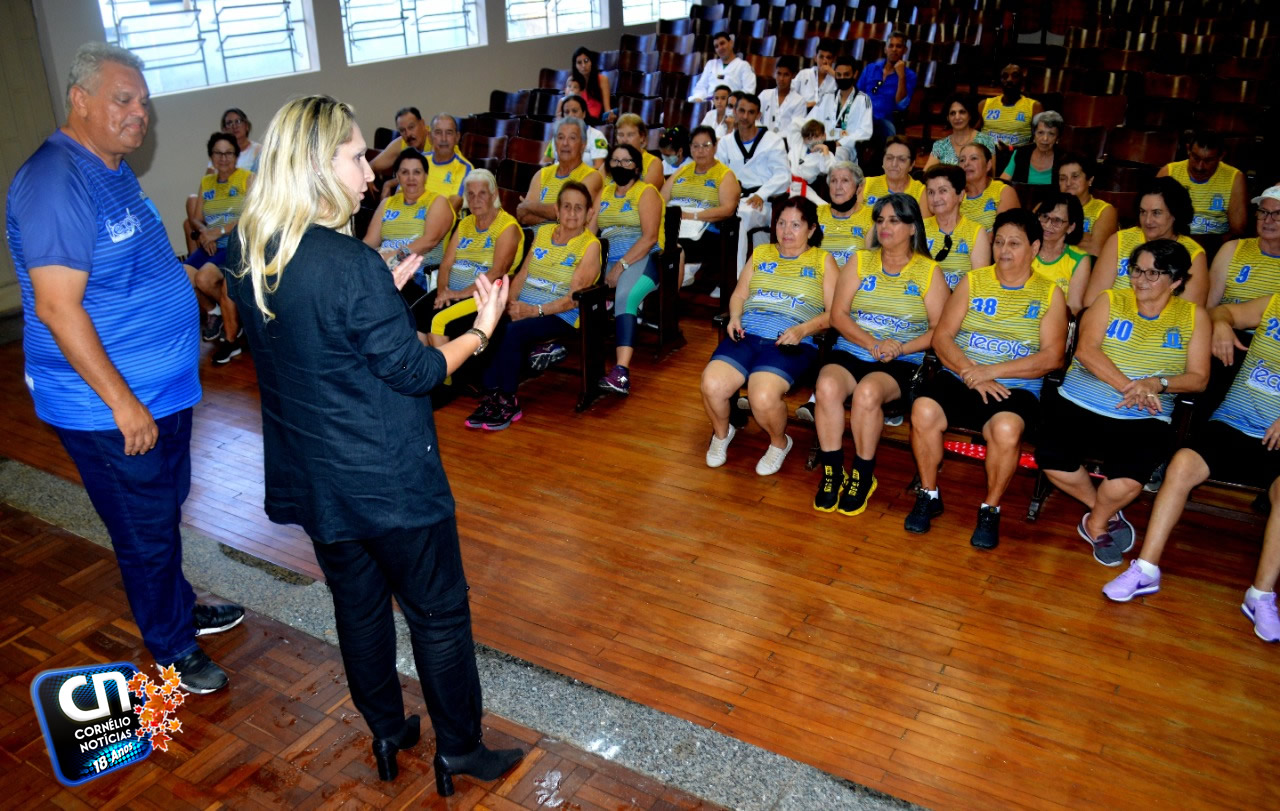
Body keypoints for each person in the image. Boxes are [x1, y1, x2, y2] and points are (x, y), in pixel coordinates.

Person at [224, 94, 523, 791]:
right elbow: (416, 370)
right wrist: (480, 330)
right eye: (358, 156)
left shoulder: (251, 247)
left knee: (358, 611)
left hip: (318, 481)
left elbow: (315, 340)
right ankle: (459, 750)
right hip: (389, 479)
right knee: (438, 611)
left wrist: (381, 298)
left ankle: (388, 732)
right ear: (317, 164)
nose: (372, 173)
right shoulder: (347, 263)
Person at [7, 42, 239, 694]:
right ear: (79, 100)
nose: (142, 114)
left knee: (161, 511)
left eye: (144, 102)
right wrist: (122, 402)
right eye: (124, 100)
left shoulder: (111, 169)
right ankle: (172, 646)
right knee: (144, 528)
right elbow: (57, 305)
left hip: (161, 389)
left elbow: (127, 263)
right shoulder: (57, 181)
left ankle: (177, 608)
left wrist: (186, 273)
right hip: (111, 405)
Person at [1101, 291, 1280, 643]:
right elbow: (1222, 310)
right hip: (1233, 423)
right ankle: (1146, 568)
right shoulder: (1274, 301)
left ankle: (1260, 595)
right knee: (1181, 464)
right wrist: (1223, 324)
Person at [1038, 240, 1209, 565]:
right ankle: (1100, 513)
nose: (1139, 280)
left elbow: (1199, 377)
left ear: (1175, 281)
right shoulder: (1110, 299)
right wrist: (1131, 387)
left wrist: (1157, 384)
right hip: (1080, 401)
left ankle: (1098, 522)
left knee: (1128, 480)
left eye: (1152, 273)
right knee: (1051, 458)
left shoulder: (1193, 317)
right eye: (1136, 270)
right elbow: (1086, 351)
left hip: (1144, 416)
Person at [907, 209, 1067, 549]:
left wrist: (990, 372)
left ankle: (990, 508)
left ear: (1035, 247)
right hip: (961, 376)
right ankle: (928, 494)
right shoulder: (973, 281)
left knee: (1006, 430)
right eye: (998, 242)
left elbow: (1052, 357)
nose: (1004, 250)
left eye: (1014, 243)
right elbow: (943, 337)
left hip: (1015, 387)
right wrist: (969, 373)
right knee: (923, 409)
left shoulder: (1049, 293)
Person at [813, 193, 948, 514]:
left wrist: (900, 347)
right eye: (881, 220)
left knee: (868, 393)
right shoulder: (860, 261)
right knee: (826, 387)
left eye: (894, 220)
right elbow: (839, 315)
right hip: (855, 349)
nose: (885, 227)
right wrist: (870, 342)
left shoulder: (928, 271)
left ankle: (862, 473)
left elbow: (939, 331)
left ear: (913, 227)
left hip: (900, 360)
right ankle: (832, 471)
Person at [700, 197, 837, 475]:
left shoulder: (823, 260)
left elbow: (835, 313)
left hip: (790, 340)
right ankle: (722, 434)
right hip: (747, 333)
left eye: (796, 225)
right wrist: (735, 316)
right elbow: (739, 294)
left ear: (811, 229)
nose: (787, 231)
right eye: (782, 223)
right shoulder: (761, 253)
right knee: (712, 384)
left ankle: (779, 442)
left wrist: (803, 330)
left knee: (761, 396)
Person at [466, 181, 601, 430]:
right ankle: (490, 396)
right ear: (557, 211)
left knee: (512, 332)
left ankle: (508, 400)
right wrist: (504, 307)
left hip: (560, 314)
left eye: (579, 208)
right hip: (525, 308)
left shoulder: (590, 245)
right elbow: (522, 276)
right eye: (567, 207)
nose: (572, 213)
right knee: (489, 322)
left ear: (589, 214)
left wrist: (533, 311)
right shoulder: (543, 234)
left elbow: (573, 298)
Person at [791, 161, 874, 422]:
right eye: (833, 181)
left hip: (854, 293)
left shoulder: (872, 218)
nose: (838, 186)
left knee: (838, 317)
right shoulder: (817, 215)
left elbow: (874, 264)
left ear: (859, 187)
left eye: (845, 181)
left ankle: (818, 397)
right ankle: (774, 378)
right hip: (815, 286)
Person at [596, 143, 665, 395]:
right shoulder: (603, 193)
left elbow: (649, 238)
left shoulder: (646, 192)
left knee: (626, 296)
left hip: (641, 259)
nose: (620, 166)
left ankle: (621, 372)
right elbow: (590, 232)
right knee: (574, 285)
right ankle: (554, 344)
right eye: (615, 161)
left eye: (626, 161)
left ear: (636, 166)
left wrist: (621, 266)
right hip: (606, 260)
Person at [430, 169, 525, 348]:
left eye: (482, 194)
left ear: (494, 194)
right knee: (415, 315)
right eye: (471, 195)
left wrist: (459, 294)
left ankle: (444, 375)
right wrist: (443, 292)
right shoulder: (465, 223)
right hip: (451, 293)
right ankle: (420, 374)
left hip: (483, 297)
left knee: (439, 321)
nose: (475, 200)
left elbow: (498, 271)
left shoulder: (507, 226)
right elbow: (446, 264)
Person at [363, 148, 457, 321]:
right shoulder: (387, 203)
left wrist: (393, 257)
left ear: (426, 176)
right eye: (405, 172)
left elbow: (430, 241)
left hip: (418, 274)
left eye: (417, 172)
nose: (411, 178)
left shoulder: (437, 202)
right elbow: (369, 242)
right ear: (397, 176)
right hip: (384, 269)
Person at [183, 132, 253, 365]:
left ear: (237, 155)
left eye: (228, 153)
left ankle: (233, 326)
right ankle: (214, 311)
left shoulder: (247, 178)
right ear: (211, 156)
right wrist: (205, 233)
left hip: (236, 244)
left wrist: (220, 232)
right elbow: (196, 218)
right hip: (211, 245)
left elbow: (251, 216)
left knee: (204, 279)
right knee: (182, 278)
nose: (223, 158)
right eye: (218, 153)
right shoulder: (207, 183)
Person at [1086, 176, 1208, 307]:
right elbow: (1092, 300)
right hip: (1112, 321)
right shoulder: (1119, 240)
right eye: (1143, 212)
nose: (1148, 220)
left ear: (1174, 214)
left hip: (1162, 326)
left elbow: (1188, 315)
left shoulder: (1193, 255)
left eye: (1156, 213)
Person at [716, 93, 791, 275]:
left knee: (738, 217)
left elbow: (783, 175)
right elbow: (718, 174)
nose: (744, 116)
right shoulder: (726, 142)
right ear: (734, 111)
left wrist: (761, 194)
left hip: (763, 202)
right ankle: (697, 269)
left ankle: (734, 279)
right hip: (734, 198)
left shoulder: (772, 140)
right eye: (741, 111)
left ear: (758, 115)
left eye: (751, 112)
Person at [663, 125, 740, 288]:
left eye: (706, 145)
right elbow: (661, 199)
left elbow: (728, 209)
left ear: (715, 146)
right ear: (689, 148)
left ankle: (666, 303)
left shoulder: (725, 175)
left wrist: (694, 216)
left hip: (706, 231)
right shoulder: (682, 171)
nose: (700, 151)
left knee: (671, 247)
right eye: (695, 146)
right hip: (675, 223)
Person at [519, 116, 603, 231]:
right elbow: (523, 216)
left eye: (572, 138)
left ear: (583, 145)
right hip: (535, 244)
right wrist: (557, 216)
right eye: (560, 137)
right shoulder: (541, 174)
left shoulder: (592, 176)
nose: (565, 143)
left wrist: (529, 206)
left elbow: (570, 214)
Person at [1157, 130, 1247, 236]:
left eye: (1208, 160)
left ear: (1221, 156)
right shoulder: (1168, 172)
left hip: (1216, 244)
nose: (1199, 167)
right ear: (1188, 150)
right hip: (1176, 241)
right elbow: (1153, 217)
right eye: (1196, 158)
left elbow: (1238, 230)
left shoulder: (1234, 178)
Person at [1208, 186, 1280, 307]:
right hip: (1224, 323)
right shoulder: (1232, 249)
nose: (1267, 220)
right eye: (1263, 211)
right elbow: (1208, 304)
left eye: (1278, 214)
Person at [922, 163, 991, 289]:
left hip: (959, 302)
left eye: (943, 191)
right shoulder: (919, 229)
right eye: (931, 192)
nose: (935, 198)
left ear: (960, 195)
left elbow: (979, 283)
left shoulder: (976, 232)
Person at [1032, 191, 1092, 314]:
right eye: (1044, 217)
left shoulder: (1079, 260)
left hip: (1055, 321)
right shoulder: (1026, 248)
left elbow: (1074, 307)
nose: (1047, 225)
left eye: (1057, 221)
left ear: (1071, 227)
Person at [855, 32, 916, 138]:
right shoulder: (870, 69)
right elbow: (857, 94)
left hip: (885, 122)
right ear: (885, 49)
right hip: (863, 118)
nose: (894, 49)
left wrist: (901, 77)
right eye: (891, 46)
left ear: (905, 50)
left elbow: (901, 105)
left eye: (898, 46)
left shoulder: (909, 76)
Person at [813, 55, 873, 159]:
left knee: (836, 159)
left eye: (846, 75)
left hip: (846, 148)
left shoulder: (863, 99)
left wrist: (840, 143)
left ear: (855, 74)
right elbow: (812, 121)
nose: (842, 78)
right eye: (839, 75)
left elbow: (865, 131)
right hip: (823, 144)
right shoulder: (827, 97)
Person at [1058, 153, 1116, 257]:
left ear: (1090, 180)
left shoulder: (1104, 210)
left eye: (1075, 176)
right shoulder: (1047, 206)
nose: (1068, 183)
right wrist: (1082, 238)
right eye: (1063, 178)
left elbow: (1095, 250)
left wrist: (1056, 237)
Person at [979, 64, 1042, 153]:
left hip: (1015, 157)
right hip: (985, 157)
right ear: (1000, 81)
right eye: (1005, 76)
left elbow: (1041, 140)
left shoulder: (1034, 107)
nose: (1009, 80)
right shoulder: (984, 104)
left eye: (1015, 76)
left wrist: (1011, 149)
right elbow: (971, 133)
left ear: (1022, 81)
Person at [862, 135, 930, 216]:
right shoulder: (866, 184)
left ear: (911, 165)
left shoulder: (921, 193)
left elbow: (923, 227)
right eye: (889, 158)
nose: (894, 164)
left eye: (902, 159)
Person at [958, 142, 1019, 232]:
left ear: (988, 165)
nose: (966, 163)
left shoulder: (1003, 191)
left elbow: (1001, 234)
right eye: (962, 160)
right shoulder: (954, 193)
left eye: (973, 158)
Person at [924, 94, 996, 170]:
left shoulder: (986, 141)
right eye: (952, 113)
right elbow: (925, 175)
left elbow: (991, 177)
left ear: (970, 115)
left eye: (962, 112)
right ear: (947, 118)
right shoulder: (940, 146)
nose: (957, 117)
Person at [541, 96, 608, 169]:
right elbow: (544, 162)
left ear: (584, 114)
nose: (570, 115)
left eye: (575, 111)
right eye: (567, 112)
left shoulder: (597, 136)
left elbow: (599, 167)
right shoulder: (557, 136)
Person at [998, 110, 1063, 185]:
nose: (1045, 138)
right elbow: (1002, 185)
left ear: (1057, 138)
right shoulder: (1020, 153)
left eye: (1051, 134)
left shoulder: (1064, 160)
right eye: (1040, 133)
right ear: (1034, 134)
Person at [689, 32, 756, 102]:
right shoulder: (711, 64)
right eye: (716, 46)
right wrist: (699, 98)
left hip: (731, 106)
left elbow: (749, 91)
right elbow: (701, 86)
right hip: (709, 104)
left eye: (722, 43)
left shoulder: (744, 66)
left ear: (731, 43)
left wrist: (732, 101)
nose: (720, 48)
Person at [369, 106, 430, 179]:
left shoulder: (437, 140)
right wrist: (369, 175)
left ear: (422, 124)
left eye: (411, 127)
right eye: (402, 130)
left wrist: (390, 184)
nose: (408, 134)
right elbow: (373, 165)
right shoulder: (402, 142)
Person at [759, 55, 806, 143]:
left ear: (793, 75)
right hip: (762, 141)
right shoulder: (765, 95)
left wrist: (774, 139)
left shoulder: (799, 101)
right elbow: (756, 119)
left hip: (785, 143)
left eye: (786, 75)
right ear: (774, 73)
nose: (781, 79)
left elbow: (795, 129)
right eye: (779, 73)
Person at [425, 113, 472, 200]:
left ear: (457, 137)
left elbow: (453, 206)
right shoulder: (418, 160)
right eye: (438, 133)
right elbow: (400, 194)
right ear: (429, 137)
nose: (444, 139)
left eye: (449, 133)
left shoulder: (465, 168)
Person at [789, 120, 838, 202]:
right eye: (809, 138)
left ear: (824, 136)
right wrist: (809, 127)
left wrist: (824, 149)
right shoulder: (798, 144)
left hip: (801, 186)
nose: (813, 141)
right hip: (785, 180)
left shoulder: (826, 154)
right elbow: (794, 123)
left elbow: (828, 170)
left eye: (816, 137)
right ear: (804, 139)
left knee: (822, 205)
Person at [611, 113, 664, 189]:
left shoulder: (653, 163)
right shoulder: (611, 162)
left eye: (630, 135)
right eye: (621, 135)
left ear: (642, 137)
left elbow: (644, 194)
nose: (624, 140)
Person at [212, 107, 261, 172]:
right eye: (229, 123)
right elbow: (208, 180)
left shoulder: (259, 150)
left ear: (246, 126)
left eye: (238, 121)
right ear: (224, 129)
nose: (234, 126)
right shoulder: (219, 152)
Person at [572, 47, 612, 123]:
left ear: (591, 62)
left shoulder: (602, 79)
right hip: (577, 120)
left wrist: (610, 116)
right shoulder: (573, 81)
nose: (583, 65)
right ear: (575, 66)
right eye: (579, 63)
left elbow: (607, 109)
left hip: (594, 121)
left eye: (586, 61)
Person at [794, 43, 837, 110]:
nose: (824, 61)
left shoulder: (836, 79)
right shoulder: (804, 74)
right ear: (815, 58)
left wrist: (833, 73)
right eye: (821, 57)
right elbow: (789, 95)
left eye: (828, 58)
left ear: (834, 60)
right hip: (802, 114)